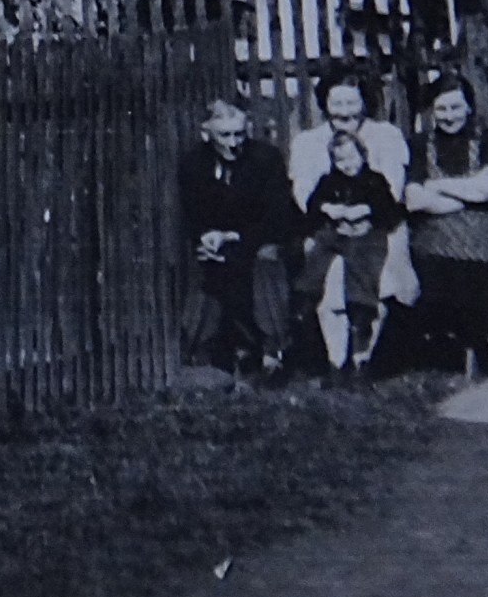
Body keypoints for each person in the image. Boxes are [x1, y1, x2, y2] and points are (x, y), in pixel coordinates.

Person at [403, 79, 488, 383]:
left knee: (483, 267)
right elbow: (413, 198)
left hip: (485, 227)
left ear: (469, 107)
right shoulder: (420, 145)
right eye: (441, 109)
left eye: (456, 107)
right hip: (435, 229)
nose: (449, 116)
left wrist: (436, 186)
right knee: (448, 266)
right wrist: (468, 192)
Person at [287, 76, 414, 370]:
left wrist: (363, 213)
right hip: (329, 227)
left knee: (370, 275)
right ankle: (336, 360)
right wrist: (332, 212)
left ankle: (362, 357)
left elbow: (392, 191)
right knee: (326, 272)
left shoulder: (385, 136)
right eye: (336, 103)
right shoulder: (309, 142)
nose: (344, 111)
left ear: (364, 103)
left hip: (377, 226)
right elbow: (306, 193)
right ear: (325, 104)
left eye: (351, 102)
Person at [177, 98, 296, 377]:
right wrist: (206, 237)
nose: (233, 143)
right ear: (207, 134)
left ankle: (273, 350)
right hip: (219, 243)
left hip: (263, 238)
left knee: (266, 262)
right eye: (225, 135)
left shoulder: (266, 159)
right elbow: (193, 213)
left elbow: (278, 217)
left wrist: (233, 236)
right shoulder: (194, 163)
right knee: (207, 265)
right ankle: (199, 351)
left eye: (239, 134)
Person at [297, 131, 406, 381]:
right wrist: (328, 208)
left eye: (352, 158)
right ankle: (307, 293)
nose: (348, 165)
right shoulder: (328, 182)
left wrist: (366, 209)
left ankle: (361, 315)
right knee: (319, 257)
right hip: (336, 234)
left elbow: (389, 210)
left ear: (363, 155)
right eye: (340, 161)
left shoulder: (374, 180)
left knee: (362, 263)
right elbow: (313, 205)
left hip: (366, 235)